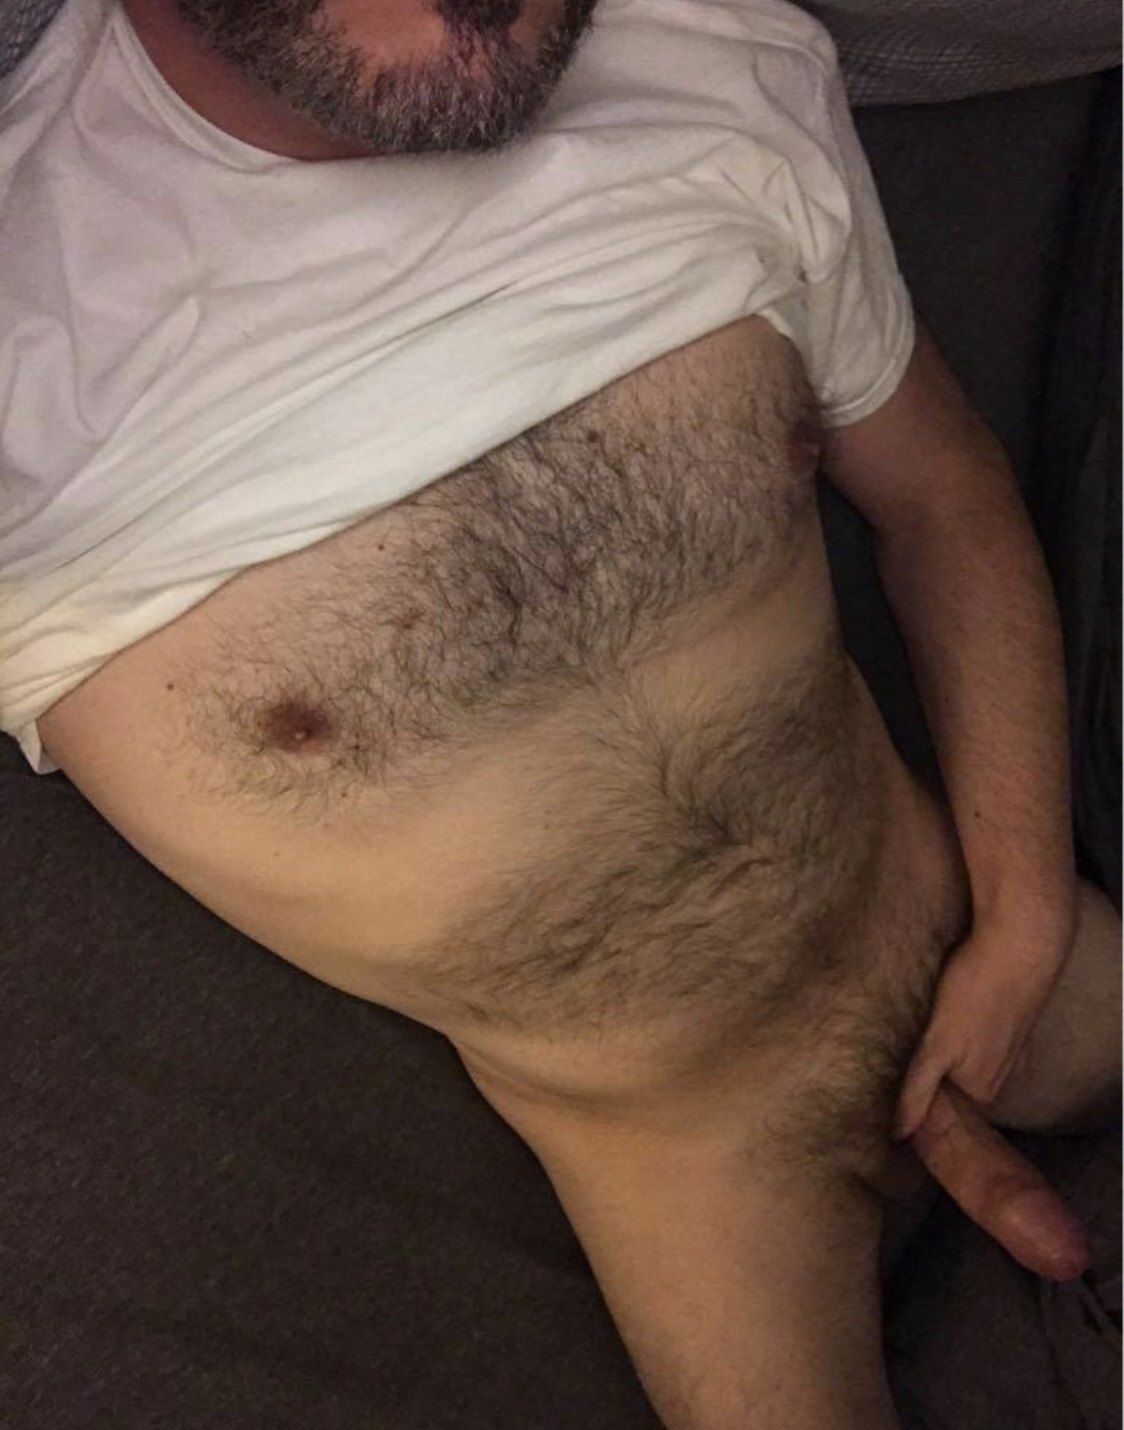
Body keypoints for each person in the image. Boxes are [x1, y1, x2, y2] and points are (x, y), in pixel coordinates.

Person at [0, 0, 1118, 1424]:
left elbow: (941, 498)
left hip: (980, 936)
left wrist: (1021, 916)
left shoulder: (710, 48)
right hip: (699, 1176)